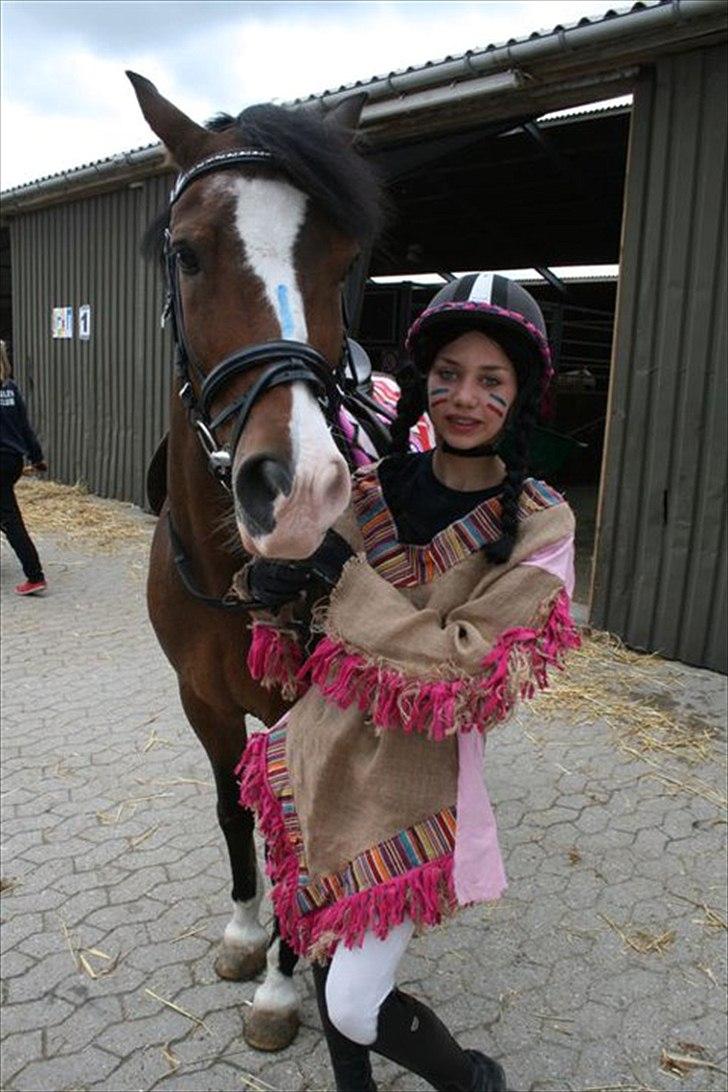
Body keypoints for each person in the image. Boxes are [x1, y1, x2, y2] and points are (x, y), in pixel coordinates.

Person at [237, 273, 580, 1092]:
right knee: (318, 926)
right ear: (424, 379)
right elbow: (298, 631)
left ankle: (468, 1079)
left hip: (412, 791)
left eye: (491, 381)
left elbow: (468, 663)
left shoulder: (541, 522)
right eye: (449, 374)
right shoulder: (370, 489)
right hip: (315, 755)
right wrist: (277, 594)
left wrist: (343, 579)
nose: (465, 397)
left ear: (521, 394)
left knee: (358, 1002)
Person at [0, 341, 47, 595]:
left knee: (10, 519)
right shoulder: (11, 389)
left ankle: (35, 574)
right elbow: (25, 429)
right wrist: (37, 458)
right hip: (12, 462)